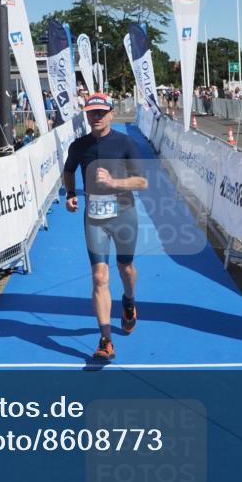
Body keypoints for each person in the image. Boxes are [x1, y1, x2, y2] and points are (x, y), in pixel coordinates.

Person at [63, 93, 148, 362]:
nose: (96, 117)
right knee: (99, 277)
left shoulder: (126, 143)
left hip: (124, 216)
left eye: (101, 112)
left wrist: (115, 183)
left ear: (111, 114)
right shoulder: (79, 146)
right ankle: (106, 340)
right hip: (94, 219)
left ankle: (129, 301)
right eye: (91, 113)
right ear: (86, 116)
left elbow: (142, 182)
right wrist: (70, 193)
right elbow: (68, 170)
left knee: (126, 269)